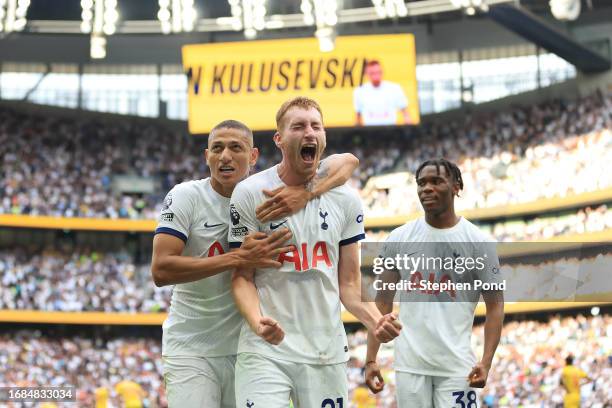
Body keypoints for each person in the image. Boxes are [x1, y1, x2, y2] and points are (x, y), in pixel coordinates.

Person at [151, 119, 360, 408]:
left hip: (249, 346)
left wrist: (308, 192)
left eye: (235, 147)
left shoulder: (266, 194)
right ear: (206, 156)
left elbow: (347, 161)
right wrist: (237, 257)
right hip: (193, 347)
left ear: (253, 157)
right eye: (217, 148)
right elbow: (161, 270)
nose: (225, 156)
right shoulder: (186, 196)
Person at [229, 96, 401, 408]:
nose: (309, 132)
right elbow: (242, 276)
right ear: (279, 139)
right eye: (298, 126)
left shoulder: (346, 201)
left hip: (325, 350)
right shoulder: (250, 193)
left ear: (323, 138)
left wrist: (375, 320)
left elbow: (348, 285)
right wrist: (256, 321)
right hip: (265, 349)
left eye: (316, 126)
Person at [365, 158, 505, 407]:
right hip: (410, 366)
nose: (426, 188)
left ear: (456, 187)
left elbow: (495, 307)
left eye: (436, 181)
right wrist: (371, 359)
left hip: (457, 367)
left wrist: (486, 361)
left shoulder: (478, 242)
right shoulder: (399, 238)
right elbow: (382, 305)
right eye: (421, 183)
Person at [353, 60, 410, 126]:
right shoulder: (359, 91)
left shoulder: (395, 88)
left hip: (391, 131)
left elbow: (406, 113)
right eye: (372, 73)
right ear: (366, 74)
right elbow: (358, 116)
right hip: (369, 132)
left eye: (378, 72)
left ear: (382, 72)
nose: (376, 76)